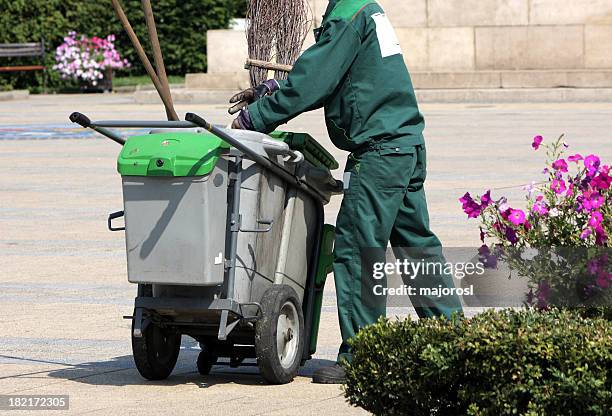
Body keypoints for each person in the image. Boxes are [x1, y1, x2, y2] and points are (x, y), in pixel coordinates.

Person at [229, 0, 463, 384]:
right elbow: (332, 72)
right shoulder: (364, 10)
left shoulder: (346, 16)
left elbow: (314, 81)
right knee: (416, 246)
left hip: (379, 152)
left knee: (355, 249)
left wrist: (254, 118)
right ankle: (456, 338)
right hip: (404, 144)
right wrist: (277, 87)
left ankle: (365, 354)